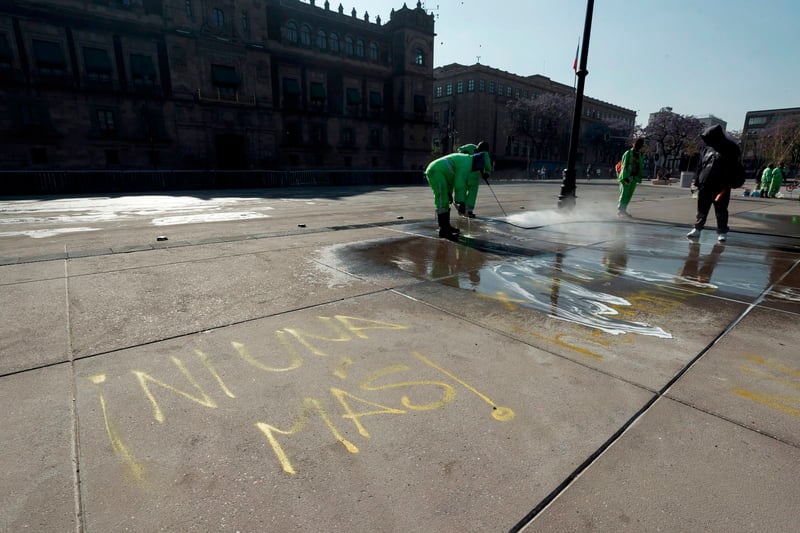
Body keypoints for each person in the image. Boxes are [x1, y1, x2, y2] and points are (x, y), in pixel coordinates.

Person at [686, 124, 742, 242]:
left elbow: (735, 167)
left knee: (721, 209)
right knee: (702, 208)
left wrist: (733, 181)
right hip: (705, 183)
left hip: (721, 185)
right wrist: (696, 181)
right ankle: (697, 228)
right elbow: (701, 166)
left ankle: (722, 231)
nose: (706, 141)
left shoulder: (731, 148)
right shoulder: (707, 149)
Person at [424, 151, 484, 240]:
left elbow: (451, 179)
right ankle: (444, 230)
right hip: (435, 171)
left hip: (439, 171)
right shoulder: (467, 164)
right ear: (476, 165)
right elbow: (459, 183)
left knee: (445, 198)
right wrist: (461, 202)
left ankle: (446, 227)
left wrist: (449, 193)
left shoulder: (466, 159)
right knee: (441, 199)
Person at [455, 141, 493, 218]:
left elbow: (488, 167)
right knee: (463, 191)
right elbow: (459, 149)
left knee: (471, 194)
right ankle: (462, 207)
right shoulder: (470, 147)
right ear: (478, 146)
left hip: (473, 177)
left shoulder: (484, 154)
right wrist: (463, 152)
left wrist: (486, 174)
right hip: (465, 174)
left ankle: (468, 210)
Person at [617, 138, 645, 218]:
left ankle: (623, 210)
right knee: (624, 193)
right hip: (627, 176)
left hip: (634, 177)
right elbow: (624, 165)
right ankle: (620, 211)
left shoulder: (640, 155)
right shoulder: (628, 153)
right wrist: (625, 177)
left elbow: (640, 166)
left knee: (629, 195)